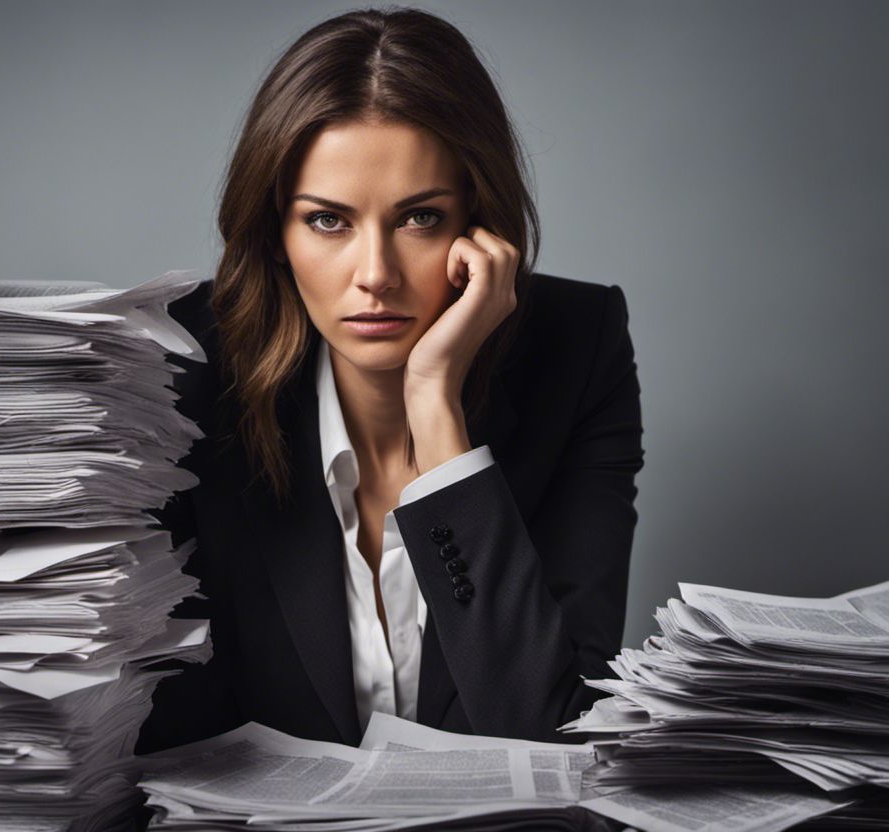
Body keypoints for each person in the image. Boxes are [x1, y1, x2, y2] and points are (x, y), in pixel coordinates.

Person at [135, 6, 644, 754]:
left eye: (419, 219)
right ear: (275, 232)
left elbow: (551, 734)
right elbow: (165, 733)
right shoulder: (179, 370)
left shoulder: (576, 352)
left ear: (479, 222)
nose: (375, 275)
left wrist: (436, 405)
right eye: (328, 221)